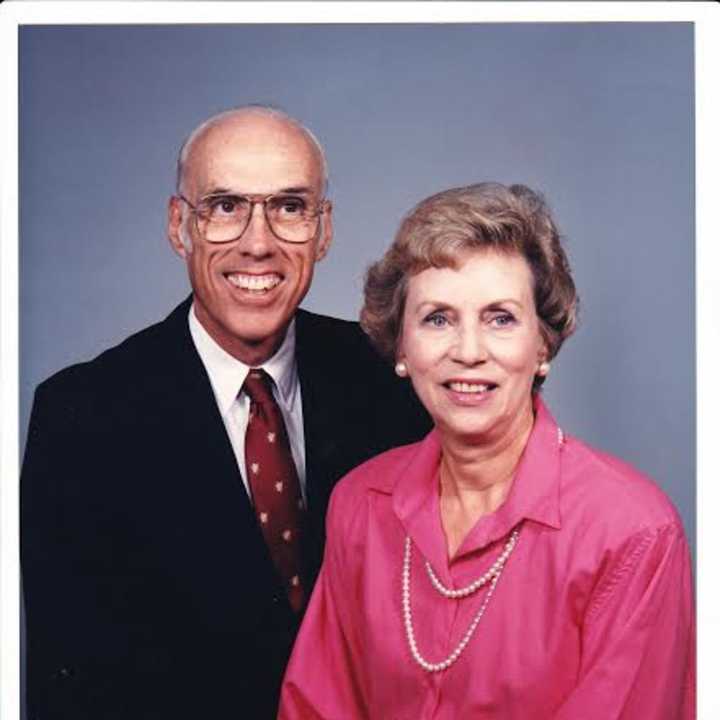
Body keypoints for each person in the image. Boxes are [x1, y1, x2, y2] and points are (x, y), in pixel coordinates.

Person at [20, 106, 430, 719]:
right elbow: (70, 692)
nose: (258, 243)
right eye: (225, 207)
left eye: (290, 207)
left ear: (324, 230)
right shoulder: (82, 418)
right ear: (178, 225)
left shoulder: (393, 380)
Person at [279, 182, 695, 719]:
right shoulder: (361, 502)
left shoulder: (632, 532)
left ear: (542, 343)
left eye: (500, 317)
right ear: (400, 347)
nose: (469, 351)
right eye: (438, 318)